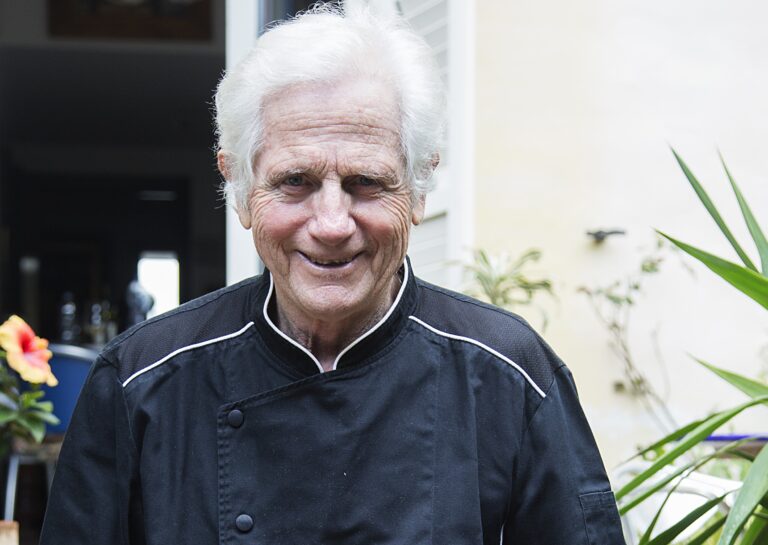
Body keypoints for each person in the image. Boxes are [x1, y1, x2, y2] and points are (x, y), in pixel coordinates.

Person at [41, 5, 625, 544]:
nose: (331, 224)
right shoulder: (139, 382)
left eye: (365, 182)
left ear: (419, 189)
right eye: (294, 181)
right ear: (240, 189)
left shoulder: (512, 375)